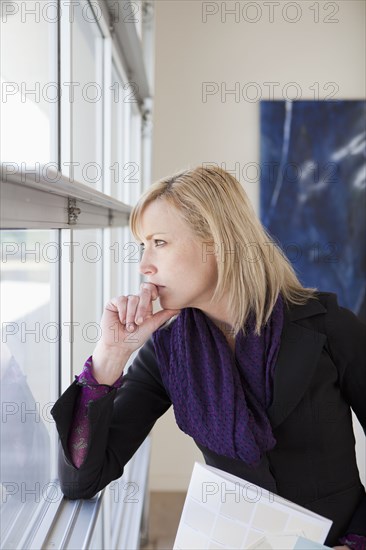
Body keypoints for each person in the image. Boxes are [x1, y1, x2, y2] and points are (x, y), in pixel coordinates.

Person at [51, 166, 366, 549]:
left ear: (216, 241)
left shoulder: (327, 326)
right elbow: (82, 480)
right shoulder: (167, 352)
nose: (144, 264)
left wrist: (356, 541)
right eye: (142, 246)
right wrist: (110, 354)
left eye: (160, 242)